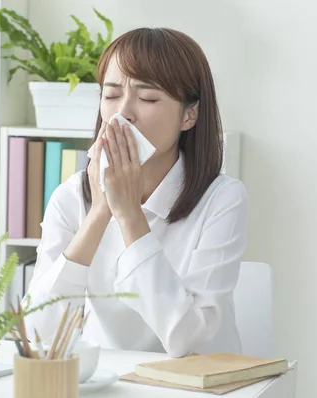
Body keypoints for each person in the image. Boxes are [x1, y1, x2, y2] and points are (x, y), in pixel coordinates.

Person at [22, 27, 248, 358]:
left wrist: (129, 215)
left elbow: (191, 342)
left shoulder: (221, 199)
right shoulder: (70, 198)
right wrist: (100, 212)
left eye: (148, 98)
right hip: (109, 383)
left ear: (189, 114)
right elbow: (37, 335)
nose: (123, 113)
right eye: (111, 96)